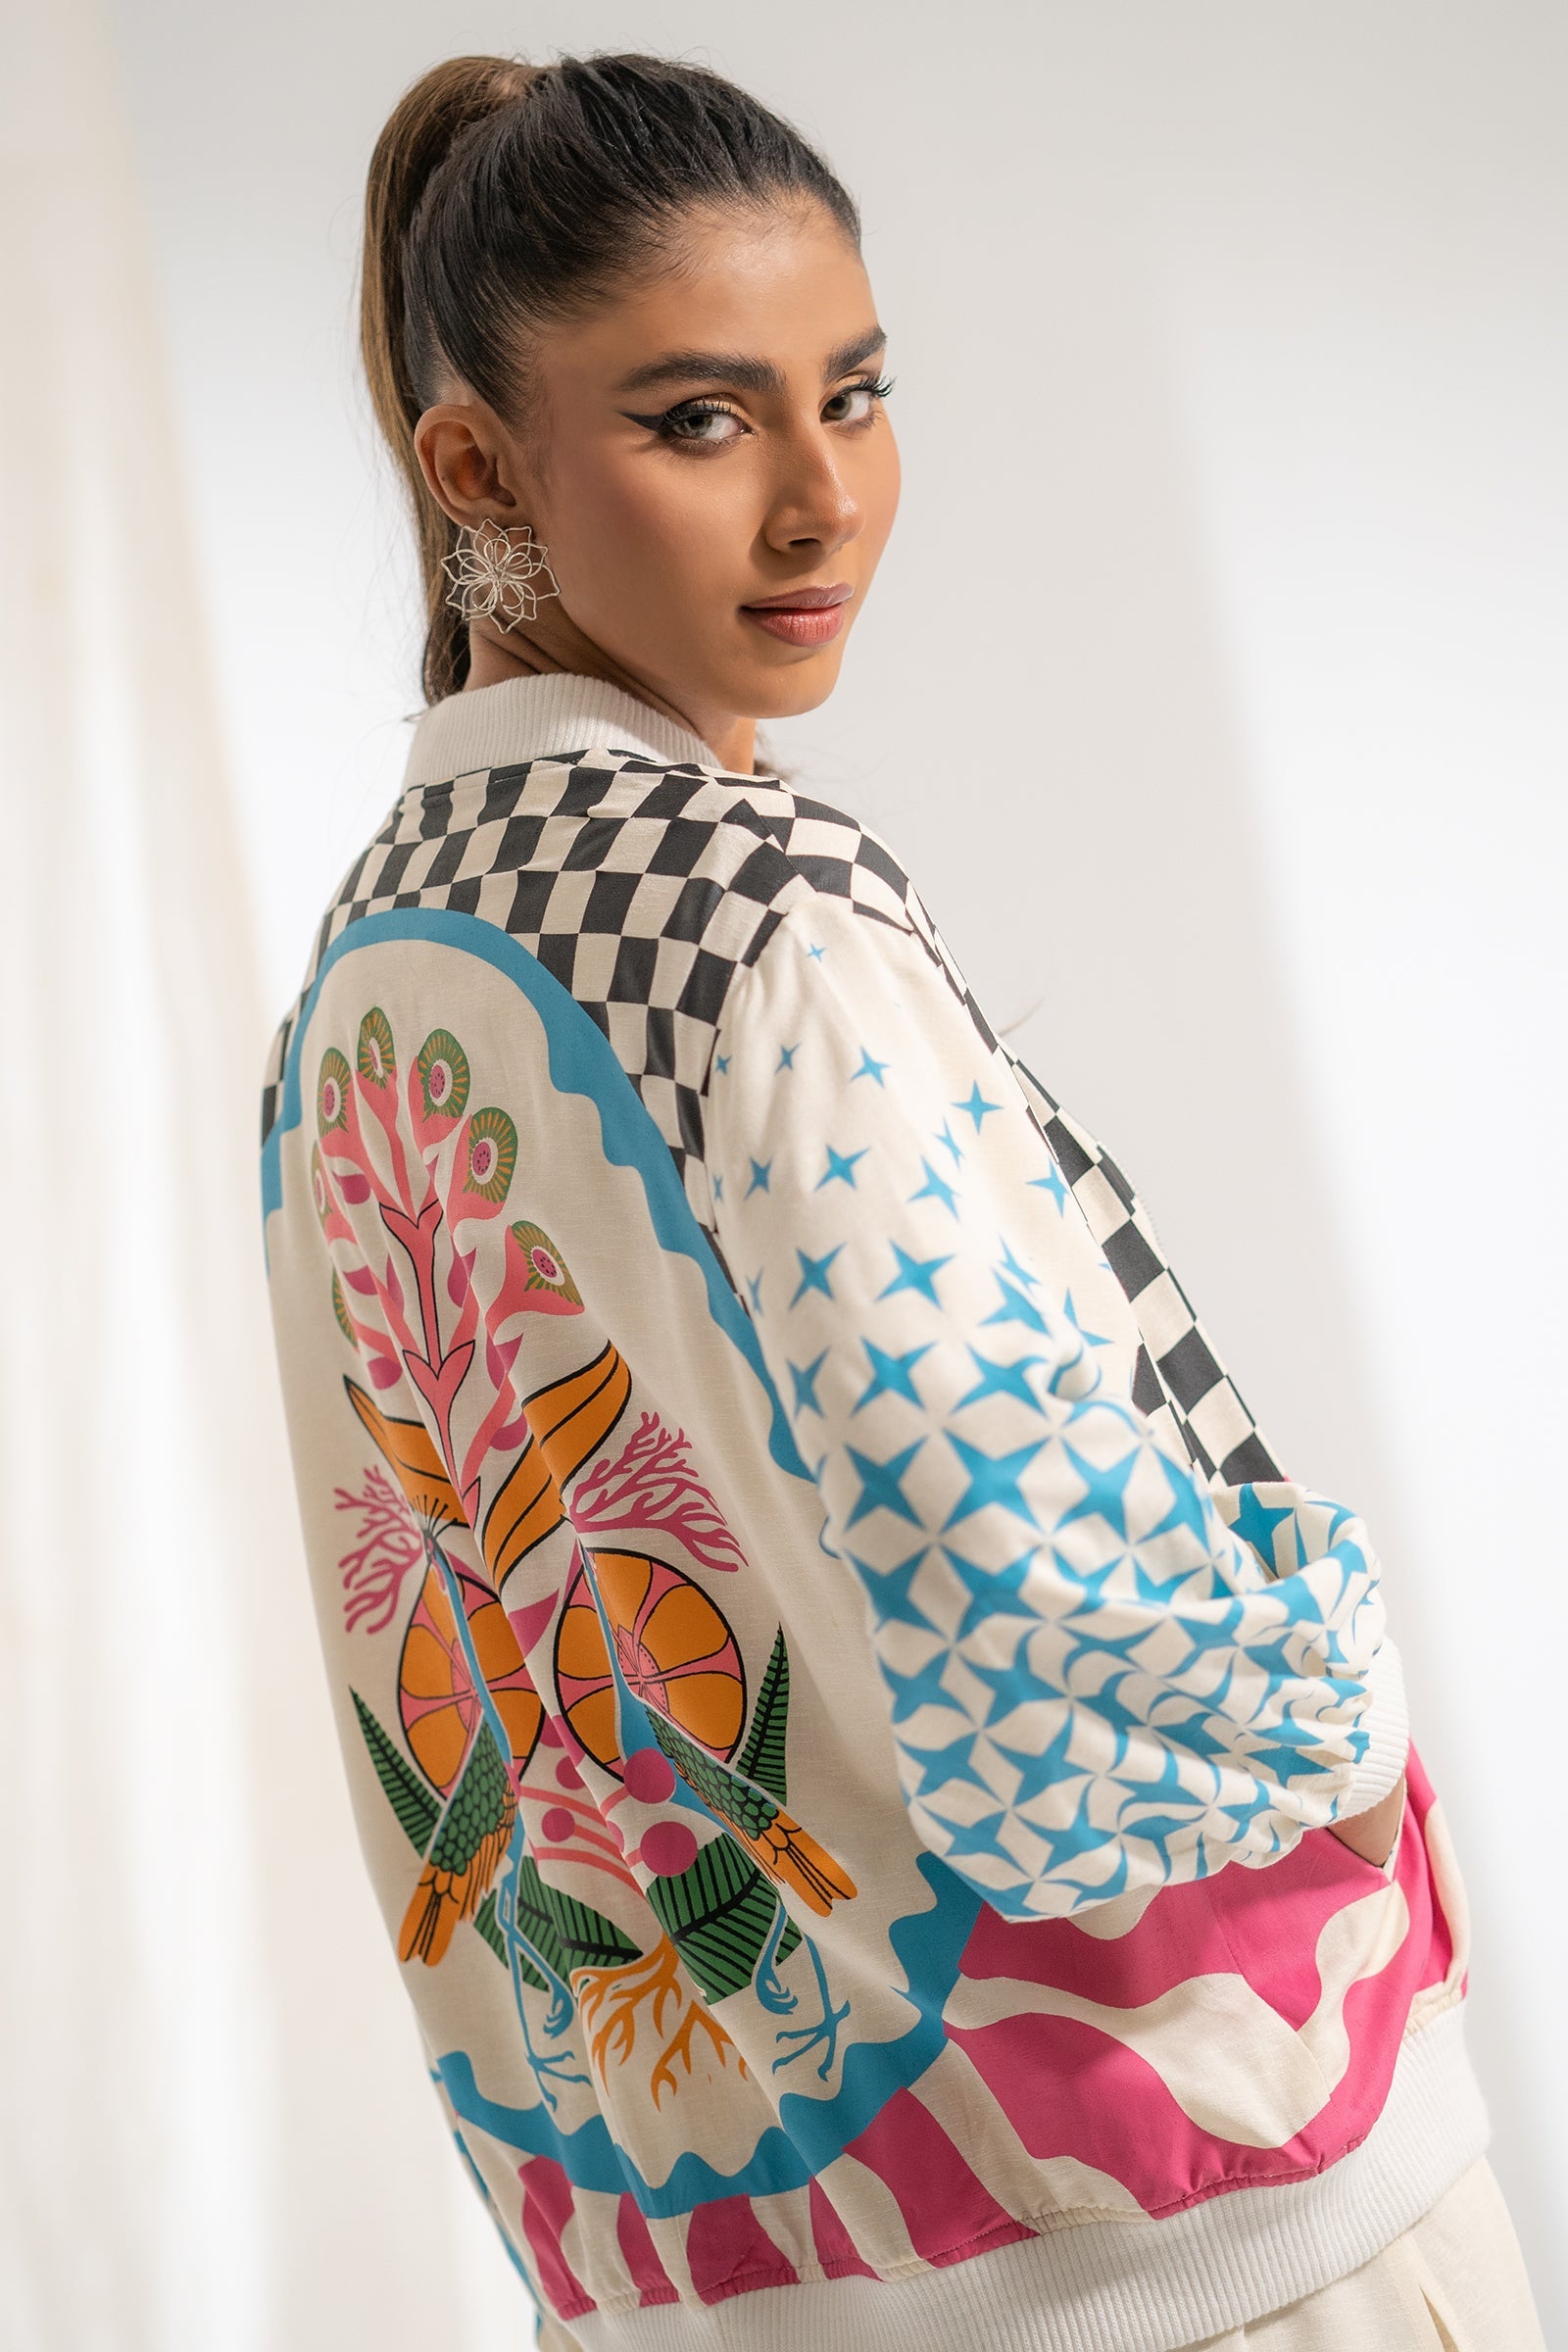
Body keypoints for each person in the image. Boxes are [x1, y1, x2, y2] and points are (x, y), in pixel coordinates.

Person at [260, 52, 1543, 2352]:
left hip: (710, 2266)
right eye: (698, 419)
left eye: (851, 394)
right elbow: (1024, 1541)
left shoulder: (365, 980)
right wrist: (1339, 1709)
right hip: (1165, 2228)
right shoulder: (754, 911)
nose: (818, 499)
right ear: (475, 468)